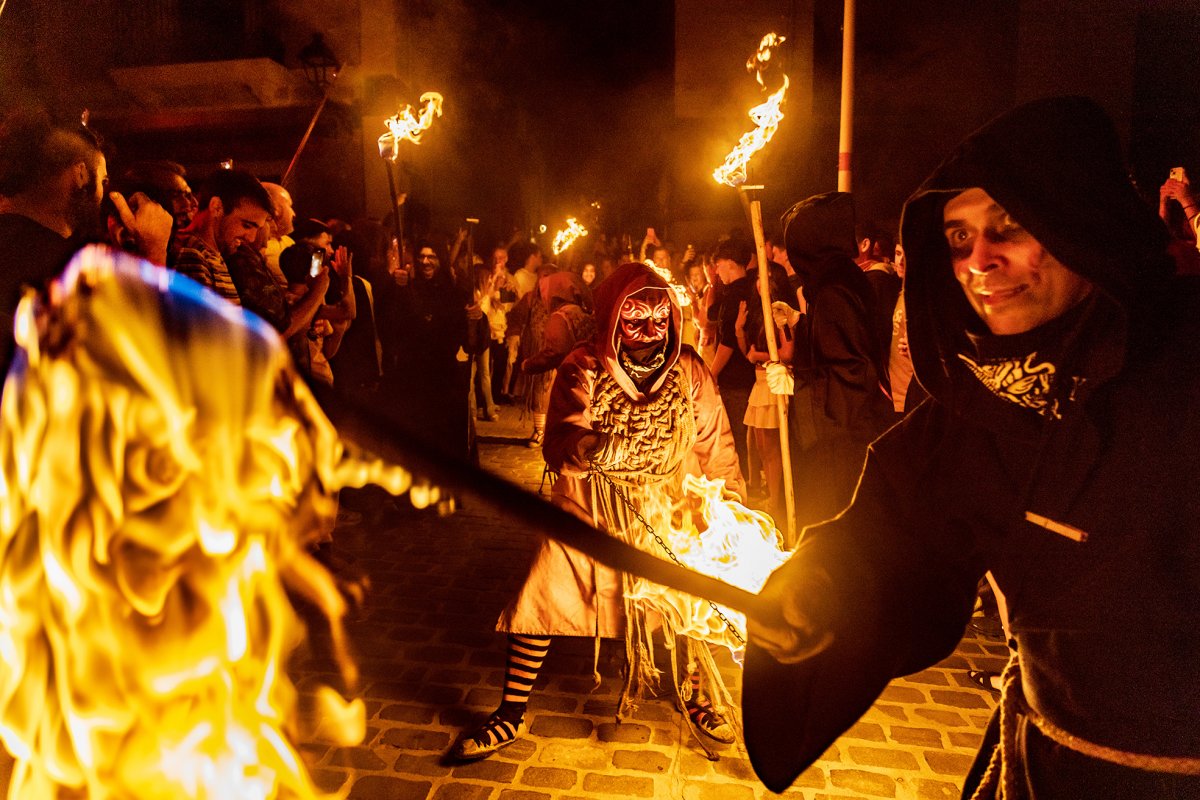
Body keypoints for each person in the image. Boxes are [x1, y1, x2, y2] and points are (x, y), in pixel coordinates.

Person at [743, 96, 1200, 800]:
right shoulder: (978, 396)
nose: (978, 260)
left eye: (1008, 227)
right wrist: (827, 584)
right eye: (957, 238)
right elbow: (902, 536)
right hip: (1040, 765)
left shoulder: (1183, 368)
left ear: (1081, 220)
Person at [452, 262, 746, 760]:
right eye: (636, 321)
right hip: (587, 509)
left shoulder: (691, 370)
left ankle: (697, 696)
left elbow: (715, 442)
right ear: (612, 317)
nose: (650, 333)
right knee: (541, 597)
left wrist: (729, 499)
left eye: (661, 320)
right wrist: (591, 446)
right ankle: (510, 713)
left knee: (689, 601)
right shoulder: (582, 366)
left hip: (669, 510)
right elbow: (561, 440)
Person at [771, 193, 895, 530]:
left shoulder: (833, 291)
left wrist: (796, 381)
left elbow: (853, 374)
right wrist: (801, 322)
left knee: (835, 534)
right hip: (851, 438)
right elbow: (845, 340)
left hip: (846, 446)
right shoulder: (841, 280)